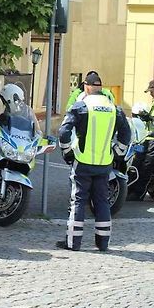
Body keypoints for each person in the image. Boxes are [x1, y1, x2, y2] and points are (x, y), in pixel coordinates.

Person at [57, 71, 130, 252]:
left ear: (86, 87)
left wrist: (67, 152)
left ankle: (73, 243)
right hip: (104, 163)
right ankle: (103, 243)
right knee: (102, 201)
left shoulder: (81, 106)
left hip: (82, 162)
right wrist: (117, 152)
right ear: (100, 87)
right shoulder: (114, 108)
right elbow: (126, 134)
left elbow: (63, 132)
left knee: (78, 201)